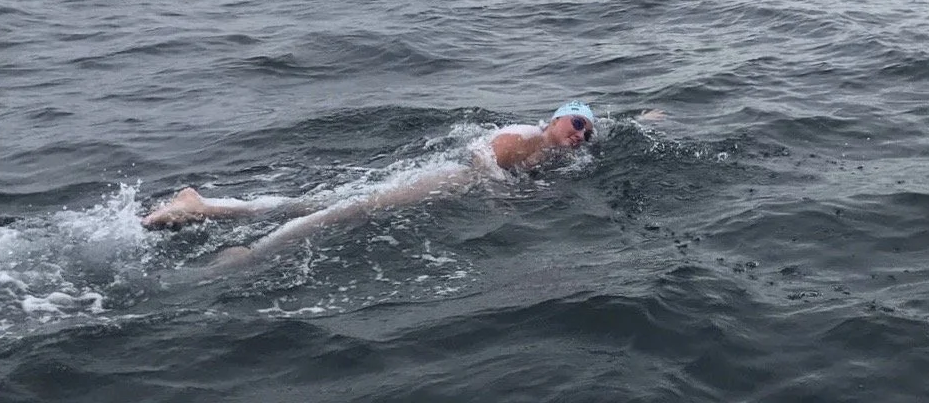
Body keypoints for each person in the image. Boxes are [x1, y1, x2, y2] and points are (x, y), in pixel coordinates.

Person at [141, 100, 613, 267]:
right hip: (448, 180)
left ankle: (203, 205)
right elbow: (481, 155)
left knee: (311, 203)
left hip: (449, 182)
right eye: (576, 123)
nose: (580, 134)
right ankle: (251, 255)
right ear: (554, 119)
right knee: (347, 212)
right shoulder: (528, 138)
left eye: (587, 131)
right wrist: (497, 192)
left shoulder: (549, 147)